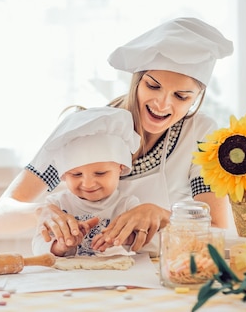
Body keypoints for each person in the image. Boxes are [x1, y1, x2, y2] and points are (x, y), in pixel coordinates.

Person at [0, 17, 232, 253]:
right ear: (137, 79)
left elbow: (219, 232)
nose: (162, 104)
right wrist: (41, 212)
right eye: (153, 86)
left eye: (181, 96)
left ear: (196, 98)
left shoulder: (202, 135)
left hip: (164, 275)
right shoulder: (85, 131)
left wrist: (163, 215)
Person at [30, 106, 158, 257]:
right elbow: (38, 246)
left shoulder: (127, 205)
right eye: (76, 174)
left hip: (117, 277)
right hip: (71, 279)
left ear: (121, 168)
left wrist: (128, 238)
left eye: (100, 173)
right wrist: (60, 246)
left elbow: (155, 249)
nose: (88, 184)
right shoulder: (57, 205)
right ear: (63, 174)